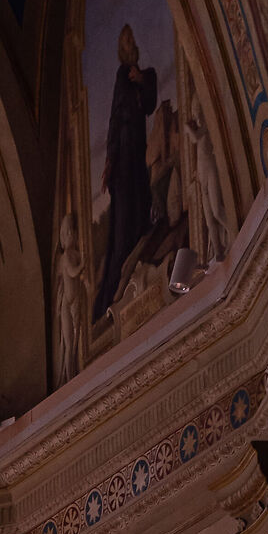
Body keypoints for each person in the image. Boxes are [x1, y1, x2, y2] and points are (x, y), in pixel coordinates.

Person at [93, 23, 159, 321]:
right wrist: (108, 162)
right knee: (122, 221)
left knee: (141, 205)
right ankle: (113, 292)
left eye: (130, 38)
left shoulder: (149, 75)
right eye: (124, 40)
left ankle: (138, 258)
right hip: (122, 160)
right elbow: (114, 119)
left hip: (136, 154)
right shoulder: (122, 76)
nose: (128, 42)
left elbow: (149, 105)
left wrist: (142, 79)